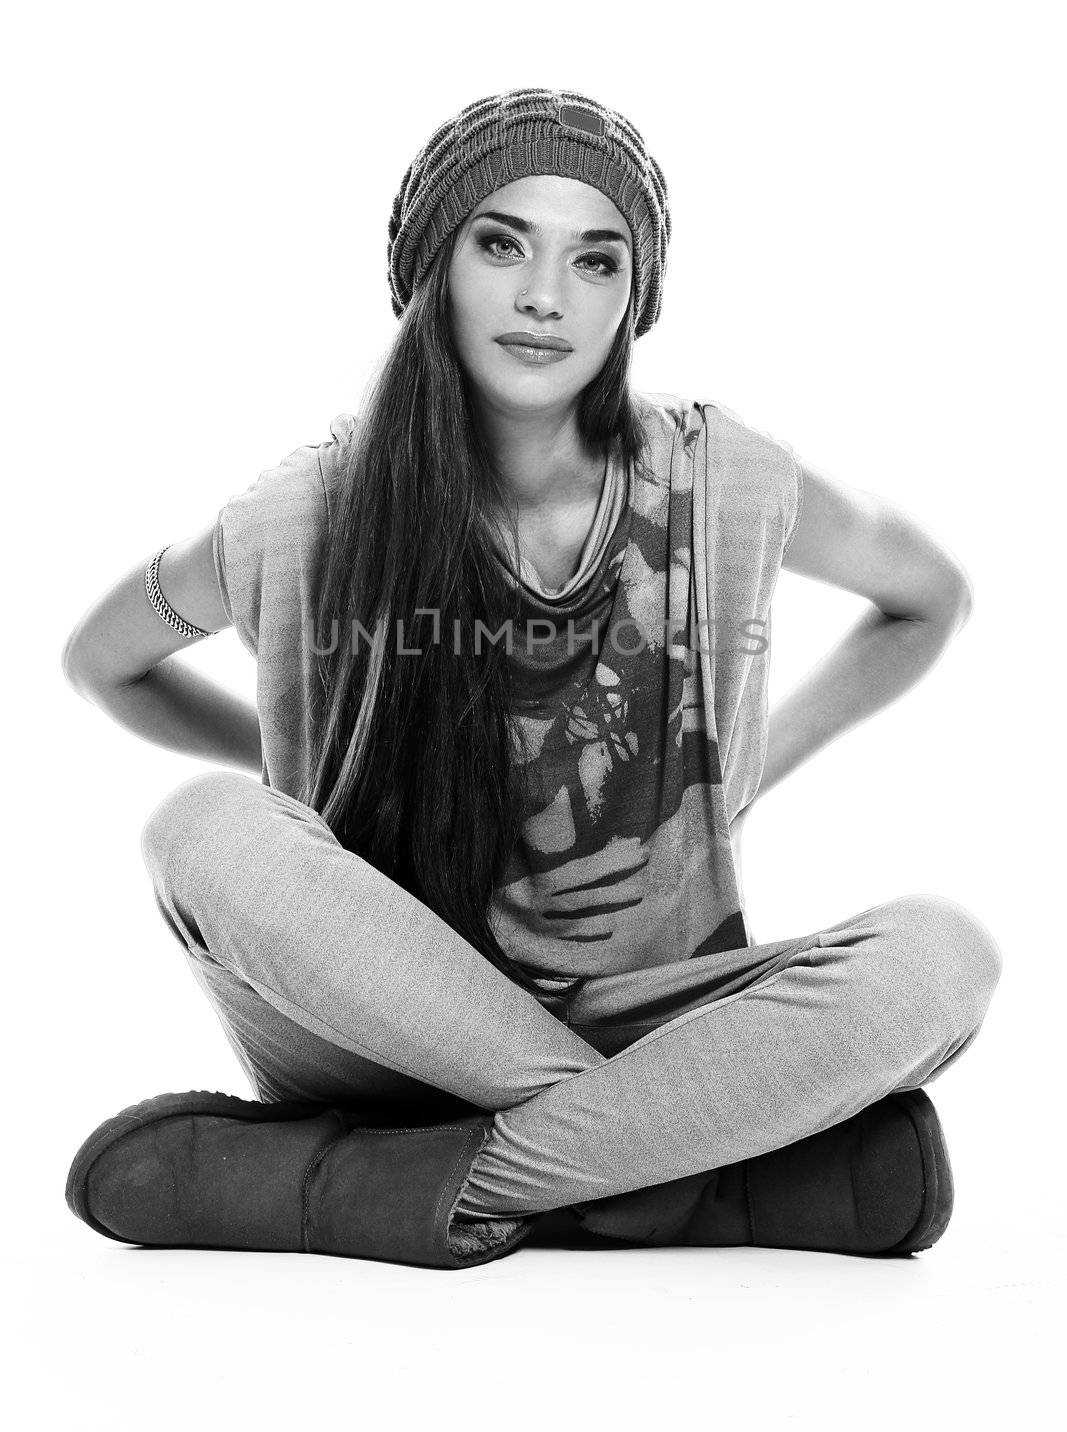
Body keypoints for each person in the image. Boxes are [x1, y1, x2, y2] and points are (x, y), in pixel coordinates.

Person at [61, 87, 1002, 1270]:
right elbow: (102, 661)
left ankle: (386, 1180)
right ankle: (698, 1173)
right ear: (430, 271)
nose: (545, 295)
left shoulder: (721, 476)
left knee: (941, 955)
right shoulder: (310, 505)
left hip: (655, 1015)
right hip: (370, 1022)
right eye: (501, 243)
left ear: (633, 297)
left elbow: (928, 597)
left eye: (594, 261)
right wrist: (293, 770)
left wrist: (742, 765)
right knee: (202, 829)